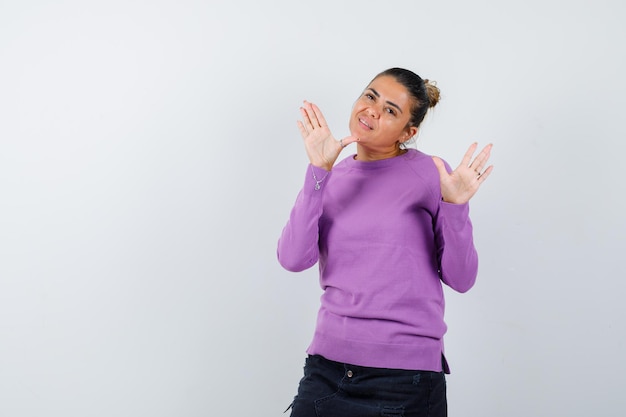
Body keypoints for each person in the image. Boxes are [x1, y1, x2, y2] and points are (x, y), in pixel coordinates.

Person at [277, 67, 493, 417]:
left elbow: (462, 278)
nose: (372, 110)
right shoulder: (330, 175)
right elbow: (292, 258)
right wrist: (318, 169)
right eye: (370, 96)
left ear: (409, 132)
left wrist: (456, 206)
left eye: (391, 110)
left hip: (405, 380)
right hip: (326, 372)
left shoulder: (430, 175)